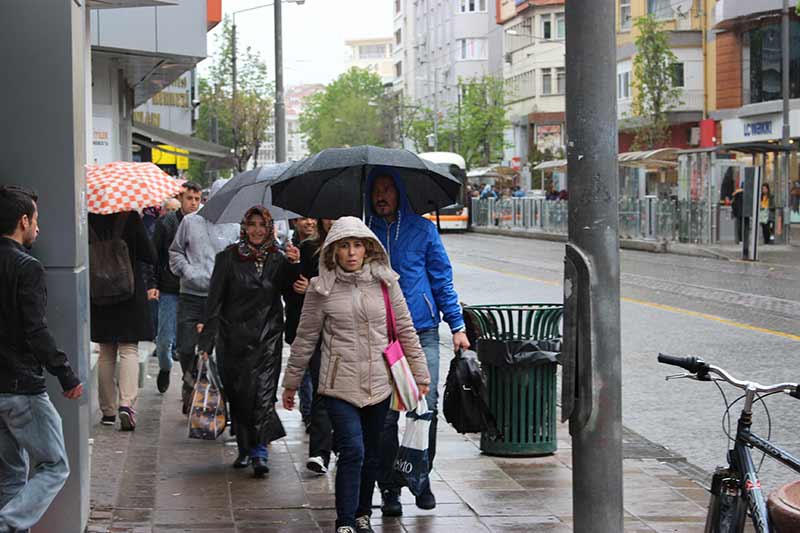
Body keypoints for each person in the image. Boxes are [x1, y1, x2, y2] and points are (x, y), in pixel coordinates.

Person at [282, 217, 430, 533]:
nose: (351, 252)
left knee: (373, 455)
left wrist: (420, 375)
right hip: (338, 386)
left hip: (379, 384)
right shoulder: (321, 289)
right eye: (345, 246)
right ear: (333, 251)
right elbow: (305, 337)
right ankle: (345, 522)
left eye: (358, 245)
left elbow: (405, 330)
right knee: (353, 451)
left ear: (368, 248)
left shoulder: (386, 283)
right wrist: (291, 383)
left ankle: (363, 514)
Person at [366, 168, 470, 515]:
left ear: (399, 194)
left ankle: (420, 478)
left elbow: (442, 278)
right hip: (379, 337)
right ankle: (390, 487)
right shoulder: (363, 234)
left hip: (422, 330)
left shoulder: (423, 230)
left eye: (387, 190)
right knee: (384, 417)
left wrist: (457, 325)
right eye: (376, 190)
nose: (381, 196)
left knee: (424, 409)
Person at [0, 186, 83, 532]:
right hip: (22, 386)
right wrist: (66, 374)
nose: (39, 228)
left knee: (11, 474)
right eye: (36, 220)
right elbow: (36, 331)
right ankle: (6, 522)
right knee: (55, 465)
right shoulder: (27, 268)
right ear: (23, 221)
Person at [198, 206, 300, 477]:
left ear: (269, 228)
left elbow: (292, 294)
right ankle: (245, 447)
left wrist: (294, 264)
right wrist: (206, 343)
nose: (257, 230)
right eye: (252, 224)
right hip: (233, 339)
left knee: (263, 395)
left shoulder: (278, 259)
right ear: (244, 227)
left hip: (267, 337)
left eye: (262, 225)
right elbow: (214, 302)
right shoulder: (228, 258)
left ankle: (260, 451)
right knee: (240, 396)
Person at [169, 181, 239, 414]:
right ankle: (189, 383)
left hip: (222, 299)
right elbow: (175, 251)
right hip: (191, 295)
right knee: (187, 347)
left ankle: (214, 394)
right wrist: (188, 271)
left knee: (219, 349)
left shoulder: (235, 227)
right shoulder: (190, 221)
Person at [89, 207, 156, 431]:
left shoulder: (89, 218)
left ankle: (107, 411)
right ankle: (126, 404)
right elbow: (150, 254)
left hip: (99, 292)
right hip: (129, 291)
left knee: (106, 352)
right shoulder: (130, 217)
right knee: (128, 349)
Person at [284, 219, 335, 474]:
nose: (331, 220)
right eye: (327, 214)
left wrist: (312, 287)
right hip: (316, 329)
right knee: (321, 389)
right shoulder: (308, 248)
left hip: (345, 331)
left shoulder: (355, 248)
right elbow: (295, 290)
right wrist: (293, 267)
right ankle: (319, 452)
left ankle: (340, 443)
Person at [151, 182, 202, 393]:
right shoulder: (166, 223)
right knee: (164, 341)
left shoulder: (202, 223)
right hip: (170, 289)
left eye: (197, 199)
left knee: (189, 342)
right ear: (181, 198)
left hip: (194, 289)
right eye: (190, 198)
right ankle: (165, 367)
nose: (193, 203)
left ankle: (188, 381)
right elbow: (154, 255)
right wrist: (153, 284)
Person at [289, 217, 319, 428]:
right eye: (303, 219)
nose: (309, 223)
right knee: (304, 368)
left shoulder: (324, 247)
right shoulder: (291, 248)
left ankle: (314, 413)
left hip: (320, 318)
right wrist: (293, 265)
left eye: (312, 218)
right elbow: (289, 289)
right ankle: (308, 413)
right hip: (298, 316)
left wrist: (312, 287)